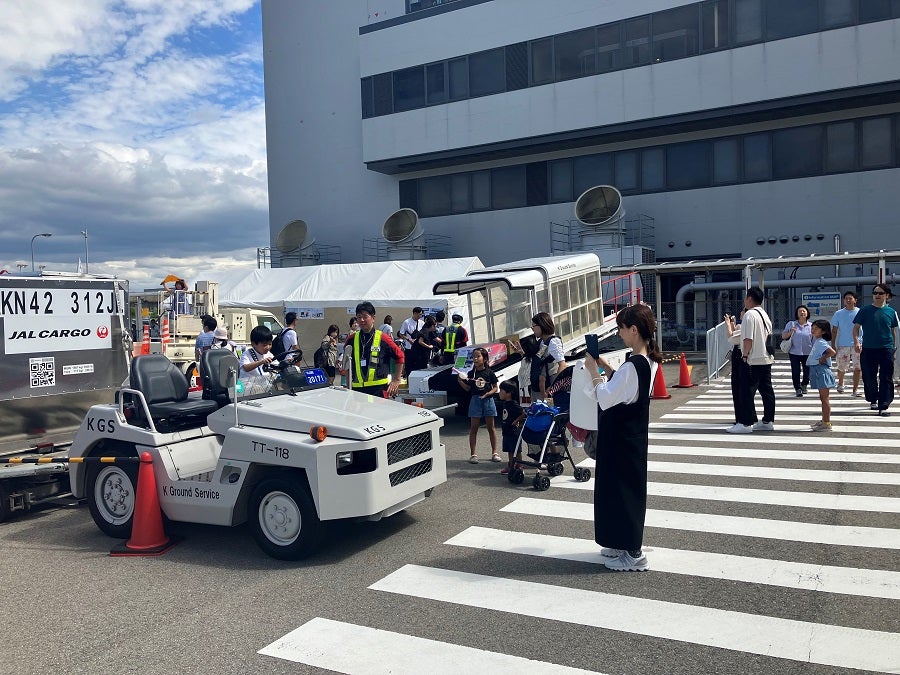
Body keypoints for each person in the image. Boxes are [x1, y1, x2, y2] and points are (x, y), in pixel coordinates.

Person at [582, 304, 661, 572]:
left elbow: (605, 398)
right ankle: (620, 542)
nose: (620, 333)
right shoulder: (648, 360)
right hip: (631, 436)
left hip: (621, 437)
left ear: (634, 330)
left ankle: (633, 551)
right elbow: (624, 387)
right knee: (619, 490)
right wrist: (604, 364)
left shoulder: (633, 365)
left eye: (622, 328)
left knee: (624, 492)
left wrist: (593, 371)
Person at [728, 287, 775, 434]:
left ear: (749, 298)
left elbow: (748, 338)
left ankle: (745, 423)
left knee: (746, 392)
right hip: (766, 358)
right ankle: (768, 421)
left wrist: (745, 356)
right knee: (767, 392)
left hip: (752, 360)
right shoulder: (765, 314)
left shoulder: (749, 315)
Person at [853, 283, 899, 416]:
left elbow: (893, 331)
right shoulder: (865, 310)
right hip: (868, 348)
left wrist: (894, 348)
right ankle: (873, 399)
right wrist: (857, 342)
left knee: (886, 377)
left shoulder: (891, 312)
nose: (877, 295)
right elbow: (856, 328)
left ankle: (884, 403)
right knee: (869, 376)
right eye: (875, 293)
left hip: (886, 348)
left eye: (880, 293)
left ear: (887, 296)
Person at [344, 301, 404, 397]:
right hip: (357, 391)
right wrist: (348, 387)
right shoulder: (351, 339)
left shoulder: (383, 338)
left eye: (365, 316)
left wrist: (396, 380)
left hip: (379, 390)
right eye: (359, 317)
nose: (362, 320)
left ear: (373, 318)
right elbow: (346, 364)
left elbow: (400, 356)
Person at [457, 347, 500, 464]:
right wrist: (460, 381)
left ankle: (495, 453)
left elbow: (495, 387)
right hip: (475, 400)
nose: (475, 359)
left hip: (488, 400)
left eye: (478, 356)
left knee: (491, 428)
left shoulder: (490, 373)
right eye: (474, 357)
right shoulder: (471, 373)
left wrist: (488, 394)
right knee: (474, 428)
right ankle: (473, 454)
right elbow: (468, 388)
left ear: (485, 359)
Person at [807, 320, 837, 432]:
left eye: (816, 328)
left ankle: (826, 423)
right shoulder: (818, 341)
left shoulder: (821, 342)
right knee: (823, 398)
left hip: (822, 371)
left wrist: (823, 358)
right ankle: (824, 420)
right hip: (817, 371)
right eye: (813, 327)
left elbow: (832, 352)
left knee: (825, 399)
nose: (813, 330)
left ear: (823, 331)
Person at [831, 291, 862, 396]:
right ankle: (840, 383)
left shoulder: (860, 312)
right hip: (843, 344)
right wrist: (833, 344)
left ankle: (855, 389)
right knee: (841, 367)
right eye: (846, 298)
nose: (848, 300)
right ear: (844, 301)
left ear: (855, 300)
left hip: (858, 344)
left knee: (858, 368)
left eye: (850, 298)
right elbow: (834, 330)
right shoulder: (838, 313)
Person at [531, 312, 567, 399]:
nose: (532, 329)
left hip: (548, 385)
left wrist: (553, 387)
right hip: (538, 385)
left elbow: (562, 365)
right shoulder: (542, 341)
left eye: (533, 326)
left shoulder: (553, 342)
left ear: (541, 325)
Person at [782, 304, 812, 397]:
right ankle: (797, 388)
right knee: (796, 371)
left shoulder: (811, 326)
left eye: (804, 311)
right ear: (797, 314)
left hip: (808, 352)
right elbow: (783, 336)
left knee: (807, 372)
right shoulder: (791, 324)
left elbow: (814, 339)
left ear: (807, 313)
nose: (802, 312)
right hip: (794, 352)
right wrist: (791, 331)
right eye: (800, 311)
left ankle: (804, 384)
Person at [497, 381, 526, 475]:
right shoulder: (505, 403)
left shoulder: (513, 404)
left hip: (514, 431)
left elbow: (524, 413)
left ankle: (520, 465)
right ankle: (511, 465)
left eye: (501, 390)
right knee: (509, 449)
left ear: (508, 393)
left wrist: (517, 420)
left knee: (516, 450)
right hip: (506, 430)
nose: (499, 392)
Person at [724, 310, 747, 426]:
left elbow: (732, 337)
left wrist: (728, 324)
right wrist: (732, 325)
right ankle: (744, 416)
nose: (741, 313)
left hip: (740, 354)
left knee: (738, 387)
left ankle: (741, 418)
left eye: (743, 311)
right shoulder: (741, 325)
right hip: (742, 354)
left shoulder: (745, 326)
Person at [239, 325, 274, 394]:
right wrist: (262, 362)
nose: (268, 347)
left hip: (262, 386)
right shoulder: (247, 354)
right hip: (244, 386)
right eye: (264, 345)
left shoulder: (269, 354)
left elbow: (277, 365)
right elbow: (246, 367)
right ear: (254, 344)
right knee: (257, 389)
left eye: (270, 344)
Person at [399, 307, 424, 376]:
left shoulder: (422, 323)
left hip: (418, 349)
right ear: (415, 313)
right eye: (419, 314)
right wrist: (408, 339)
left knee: (418, 367)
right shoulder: (407, 322)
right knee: (409, 367)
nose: (420, 316)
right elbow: (401, 334)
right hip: (409, 348)